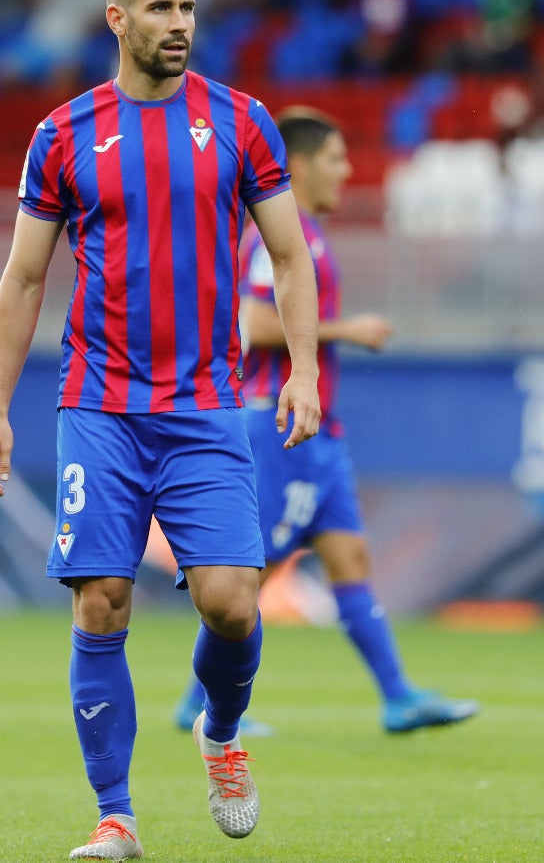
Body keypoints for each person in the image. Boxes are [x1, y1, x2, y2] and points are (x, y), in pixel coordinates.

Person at [0, 0, 321, 861]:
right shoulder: (64, 133)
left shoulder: (240, 122)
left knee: (234, 605)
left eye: (191, 8)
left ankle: (221, 730)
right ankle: (116, 816)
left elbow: (288, 257)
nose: (181, 24)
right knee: (101, 604)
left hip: (206, 407)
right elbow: (22, 280)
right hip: (100, 406)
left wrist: (305, 371)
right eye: (162, 8)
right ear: (117, 20)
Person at [173, 107, 479, 736]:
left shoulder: (307, 235)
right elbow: (253, 325)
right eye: (337, 157)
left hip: (318, 432)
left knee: (350, 557)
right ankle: (198, 704)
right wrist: (348, 330)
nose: (347, 170)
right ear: (303, 165)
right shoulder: (274, 238)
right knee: (246, 570)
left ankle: (398, 697)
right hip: (275, 425)